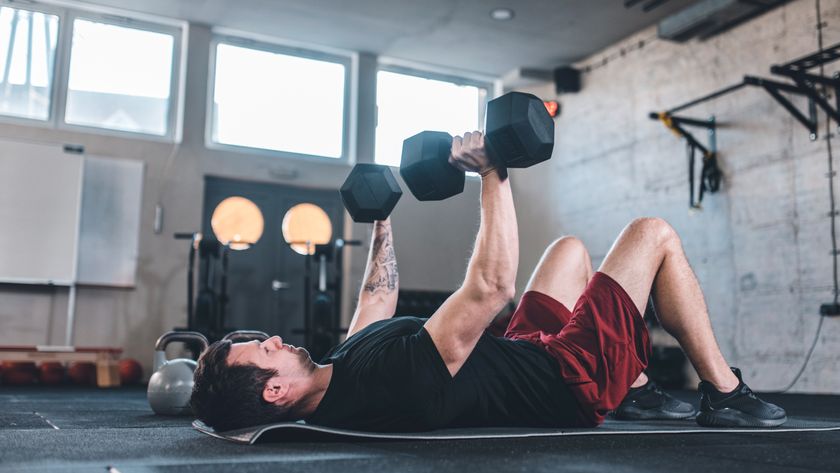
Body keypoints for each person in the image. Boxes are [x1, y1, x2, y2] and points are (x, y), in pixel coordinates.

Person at [191, 131, 786, 432]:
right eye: (263, 350)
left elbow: (377, 300)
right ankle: (725, 394)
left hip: (526, 353)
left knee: (569, 250)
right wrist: (492, 173)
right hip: (567, 381)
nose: (272, 338)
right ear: (274, 393)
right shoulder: (384, 381)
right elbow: (491, 286)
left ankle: (634, 385)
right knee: (652, 233)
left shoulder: (338, 369)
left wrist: (381, 218)